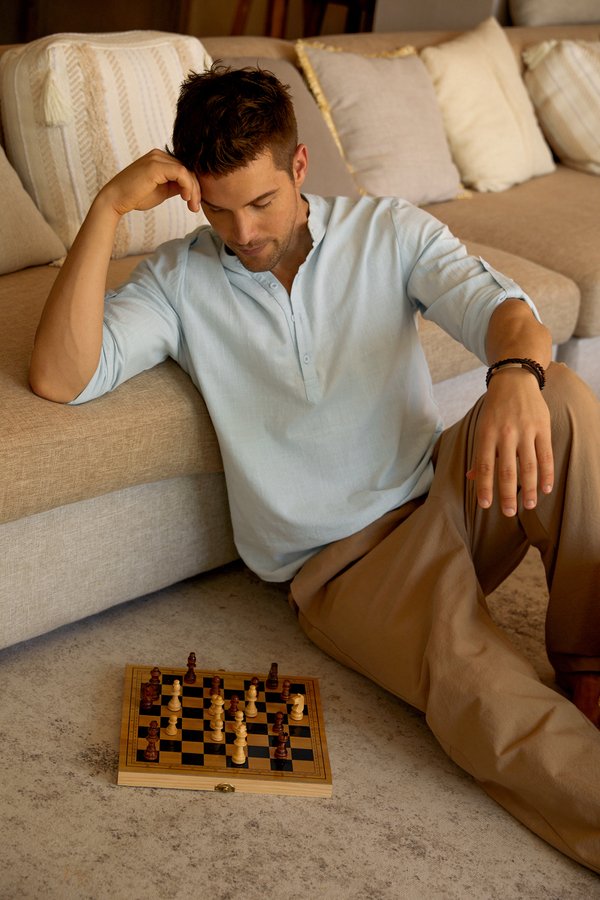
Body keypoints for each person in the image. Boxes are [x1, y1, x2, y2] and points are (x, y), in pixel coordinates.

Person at [29, 65, 600, 871]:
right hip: (350, 568)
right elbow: (60, 376)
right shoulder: (177, 280)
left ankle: (590, 659)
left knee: (561, 394)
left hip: (444, 490)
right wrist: (106, 208)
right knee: (485, 694)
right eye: (219, 209)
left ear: (299, 167)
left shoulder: (386, 230)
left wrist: (515, 375)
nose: (245, 232)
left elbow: (504, 311)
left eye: (262, 202)